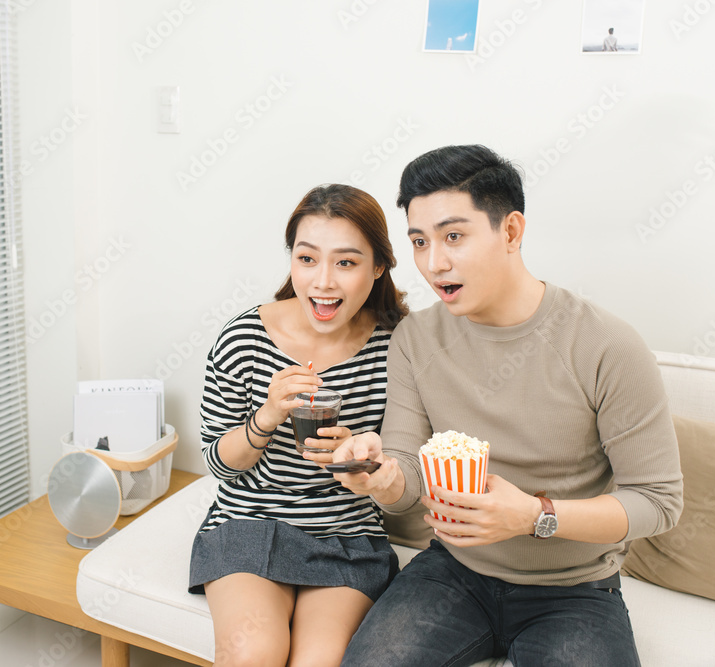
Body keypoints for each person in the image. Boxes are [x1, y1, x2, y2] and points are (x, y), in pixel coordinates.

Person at [334, 145, 683, 666]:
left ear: (512, 232)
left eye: (454, 236)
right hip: (452, 573)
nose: (434, 263)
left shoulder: (606, 345)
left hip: (575, 590)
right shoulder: (415, 339)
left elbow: (658, 502)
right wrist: (384, 480)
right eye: (420, 242)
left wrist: (533, 517)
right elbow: (408, 474)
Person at [189, 184, 408, 667]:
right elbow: (217, 464)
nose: (323, 281)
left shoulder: (397, 347)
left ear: (377, 268)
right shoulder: (244, 337)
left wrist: (360, 459)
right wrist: (266, 417)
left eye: (346, 263)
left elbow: (401, 468)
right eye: (307, 259)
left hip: (345, 534)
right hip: (250, 525)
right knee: (253, 652)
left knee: (320, 661)